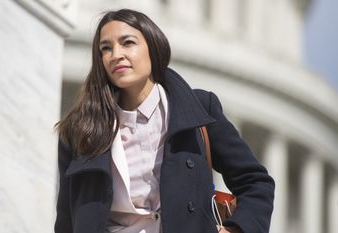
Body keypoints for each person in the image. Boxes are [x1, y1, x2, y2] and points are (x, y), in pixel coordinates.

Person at [54, 8, 274, 233]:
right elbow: (66, 220)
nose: (116, 54)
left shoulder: (197, 108)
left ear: (153, 47)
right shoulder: (81, 131)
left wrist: (236, 230)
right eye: (106, 49)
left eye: (128, 43)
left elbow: (256, 182)